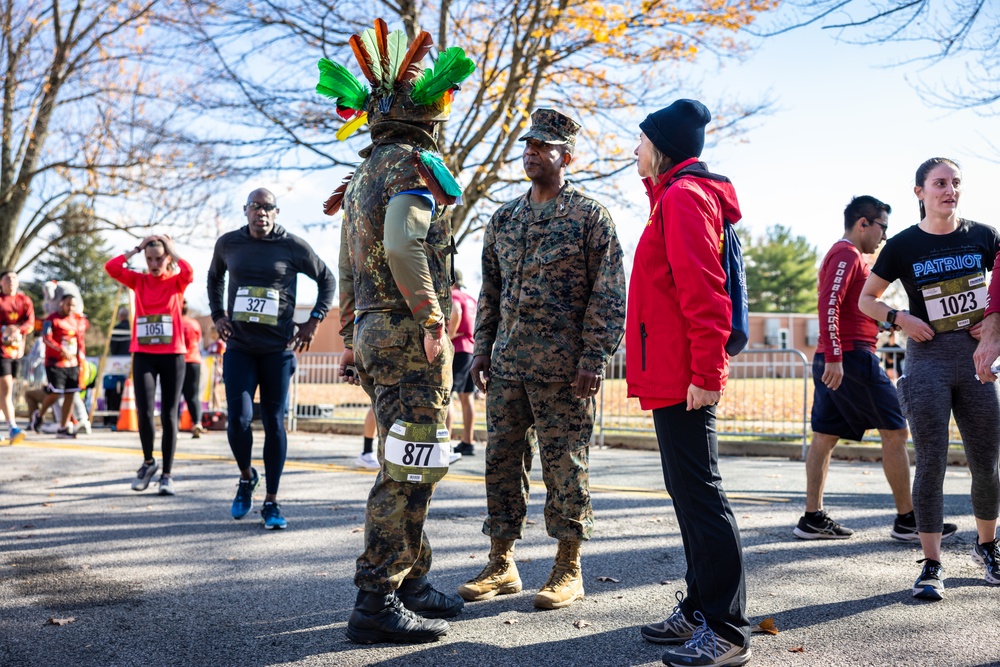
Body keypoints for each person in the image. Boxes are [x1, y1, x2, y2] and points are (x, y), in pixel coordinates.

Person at [327, 22, 475, 644]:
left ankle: (411, 580)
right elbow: (400, 242)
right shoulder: (411, 165)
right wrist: (432, 317)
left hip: (372, 331)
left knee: (413, 457)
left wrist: (350, 334)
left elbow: (346, 268)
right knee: (408, 465)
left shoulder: (362, 173)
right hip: (407, 336)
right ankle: (377, 600)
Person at [459, 108, 626, 611]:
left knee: (565, 466)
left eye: (543, 147)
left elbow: (609, 292)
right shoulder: (504, 219)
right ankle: (501, 562)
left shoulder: (589, 216)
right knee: (502, 463)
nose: (531, 152)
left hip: (564, 370)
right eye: (528, 145)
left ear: (565, 157)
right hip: (508, 364)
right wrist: (483, 349)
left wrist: (594, 356)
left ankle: (567, 566)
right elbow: (490, 291)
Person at [627, 99, 750, 666]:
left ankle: (726, 630)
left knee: (702, 495)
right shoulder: (670, 197)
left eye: (642, 141)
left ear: (663, 148)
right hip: (671, 372)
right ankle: (701, 609)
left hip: (686, 376)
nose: (635, 150)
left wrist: (706, 373)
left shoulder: (683, 199)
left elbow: (705, 294)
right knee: (687, 492)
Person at [861, 157, 1000, 601]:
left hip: (977, 363)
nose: (950, 190)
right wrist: (898, 316)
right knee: (932, 462)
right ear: (919, 192)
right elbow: (867, 299)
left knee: (986, 462)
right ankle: (932, 564)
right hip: (926, 363)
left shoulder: (985, 236)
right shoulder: (901, 245)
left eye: (956, 183)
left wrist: (994, 323)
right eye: (940, 183)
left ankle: (989, 547)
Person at [795, 196, 947, 542]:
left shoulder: (849, 256)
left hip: (843, 355)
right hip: (849, 359)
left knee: (824, 436)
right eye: (882, 227)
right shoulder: (848, 253)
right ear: (863, 223)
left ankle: (812, 518)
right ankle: (908, 520)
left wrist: (880, 325)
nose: (884, 237)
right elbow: (828, 303)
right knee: (895, 430)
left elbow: (850, 307)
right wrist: (834, 355)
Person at [208, 187, 335, 530]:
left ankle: (272, 502)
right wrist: (218, 314)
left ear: (276, 213)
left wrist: (314, 320)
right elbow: (213, 278)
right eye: (254, 207)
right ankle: (247, 477)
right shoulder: (228, 244)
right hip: (240, 347)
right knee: (238, 419)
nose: (260, 213)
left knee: (275, 423)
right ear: (245, 210)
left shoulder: (291, 246)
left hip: (278, 349)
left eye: (267, 208)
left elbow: (327, 279)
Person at [106, 236, 193, 496]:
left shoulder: (177, 281)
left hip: (172, 354)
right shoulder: (139, 280)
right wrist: (136, 249)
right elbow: (111, 267)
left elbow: (189, 271)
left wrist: (171, 250)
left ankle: (167, 474)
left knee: (168, 414)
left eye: (159, 258)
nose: (154, 264)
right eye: (150, 259)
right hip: (143, 352)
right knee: (144, 412)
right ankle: (148, 462)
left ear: (167, 259)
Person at [35, 294, 86, 439]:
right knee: (56, 393)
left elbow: (80, 341)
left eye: (73, 305)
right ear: (61, 304)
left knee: (70, 393)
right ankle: (39, 415)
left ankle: (63, 427)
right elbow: (46, 338)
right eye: (68, 304)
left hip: (72, 364)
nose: (71, 308)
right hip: (55, 363)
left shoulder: (76, 320)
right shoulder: (52, 319)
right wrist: (61, 350)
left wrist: (81, 358)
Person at [446, 270, 478, 456]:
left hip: (456, 349)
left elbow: (456, 310)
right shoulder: (471, 298)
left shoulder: (454, 296)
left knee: (447, 395)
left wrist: (449, 337)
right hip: (470, 350)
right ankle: (468, 441)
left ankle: (446, 442)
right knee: (467, 397)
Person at [0, 271, 34, 444]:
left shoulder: (25, 300)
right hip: (1, 351)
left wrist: (18, 330)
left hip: (16, 352)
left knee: (5, 391)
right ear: (1, 282)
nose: (11, 281)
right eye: (7, 278)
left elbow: (30, 323)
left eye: (14, 278)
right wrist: (5, 332)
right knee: (5, 389)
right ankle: (13, 427)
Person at [179, 301, 205, 438]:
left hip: (179, 361)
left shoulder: (175, 323)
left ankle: (173, 425)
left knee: (174, 395)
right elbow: (199, 339)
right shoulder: (194, 323)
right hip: (195, 360)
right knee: (193, 395)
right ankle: (197, 422)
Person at [103, 306, 132, 426]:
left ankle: (112, 418)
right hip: (130, 364)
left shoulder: (116, 329)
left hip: (117, 364)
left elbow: (113, 348)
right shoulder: (132, 329)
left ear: (120, 316)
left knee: (114, 391)